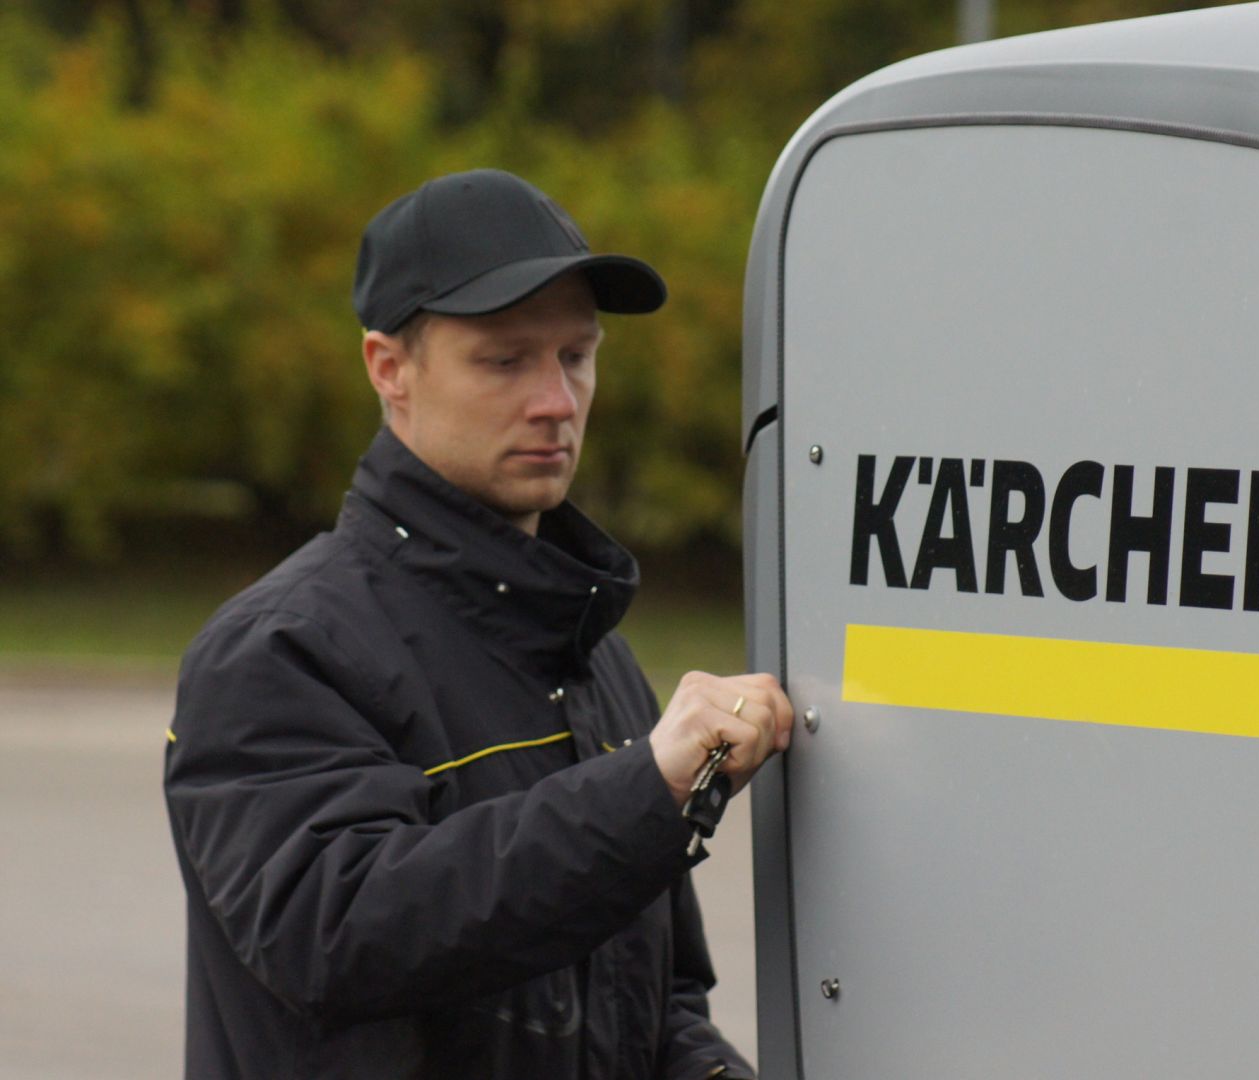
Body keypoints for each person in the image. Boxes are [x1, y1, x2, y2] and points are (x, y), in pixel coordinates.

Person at [163, 168, 792, 1079]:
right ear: (389, 369)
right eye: (505, 361)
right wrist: (642, 791)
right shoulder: (279, 650)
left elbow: (657, 1007)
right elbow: (334, 933)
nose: (556, 401)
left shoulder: (597, 656)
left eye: (576, 356)